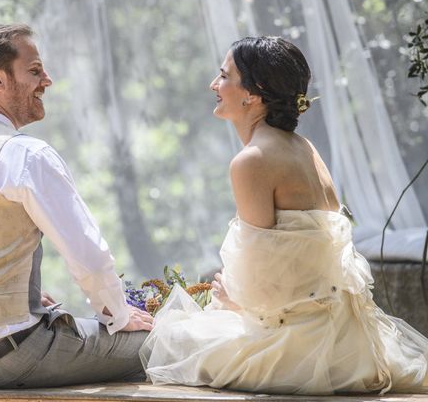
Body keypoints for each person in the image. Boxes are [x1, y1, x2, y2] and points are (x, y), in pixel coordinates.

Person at [140, 36, 428, 395]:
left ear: (254, 92)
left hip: (305, 349)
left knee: (174, 342)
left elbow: (266, 283)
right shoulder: (304, 148)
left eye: (224, 76)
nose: (213, 85)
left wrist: (234, 301)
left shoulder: (252, 161)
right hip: (345, 335)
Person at [0, 23, 153, 389]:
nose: (47, 80)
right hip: (12, 355)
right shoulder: (25, 154)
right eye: (34, 70)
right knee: (160, 345)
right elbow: (89, 257)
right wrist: (117, 314)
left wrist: (22, 295)